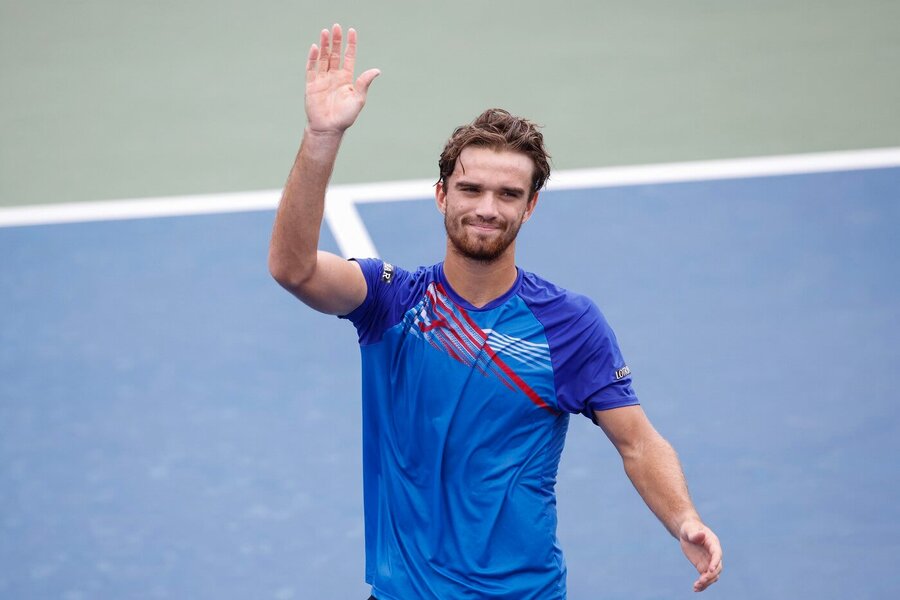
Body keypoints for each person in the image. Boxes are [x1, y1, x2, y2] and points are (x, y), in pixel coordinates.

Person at [269, 23, 723, 600]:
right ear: (442, 194)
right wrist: (321, 136)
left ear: (530, 207)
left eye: (508, 195)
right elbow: (293, 268)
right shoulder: (393, 303)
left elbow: (637, 441)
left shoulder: (569, 323)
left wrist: (683, 517)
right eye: (471, 189)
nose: (487, 208)